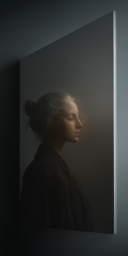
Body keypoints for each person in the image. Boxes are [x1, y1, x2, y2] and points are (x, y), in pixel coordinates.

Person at [19, 92, 93, 231]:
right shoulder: (45, 172)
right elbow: (40, 233)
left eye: (78, 117)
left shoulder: (54, 169)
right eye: (71, 117)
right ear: (50, 123)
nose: (80, 124)